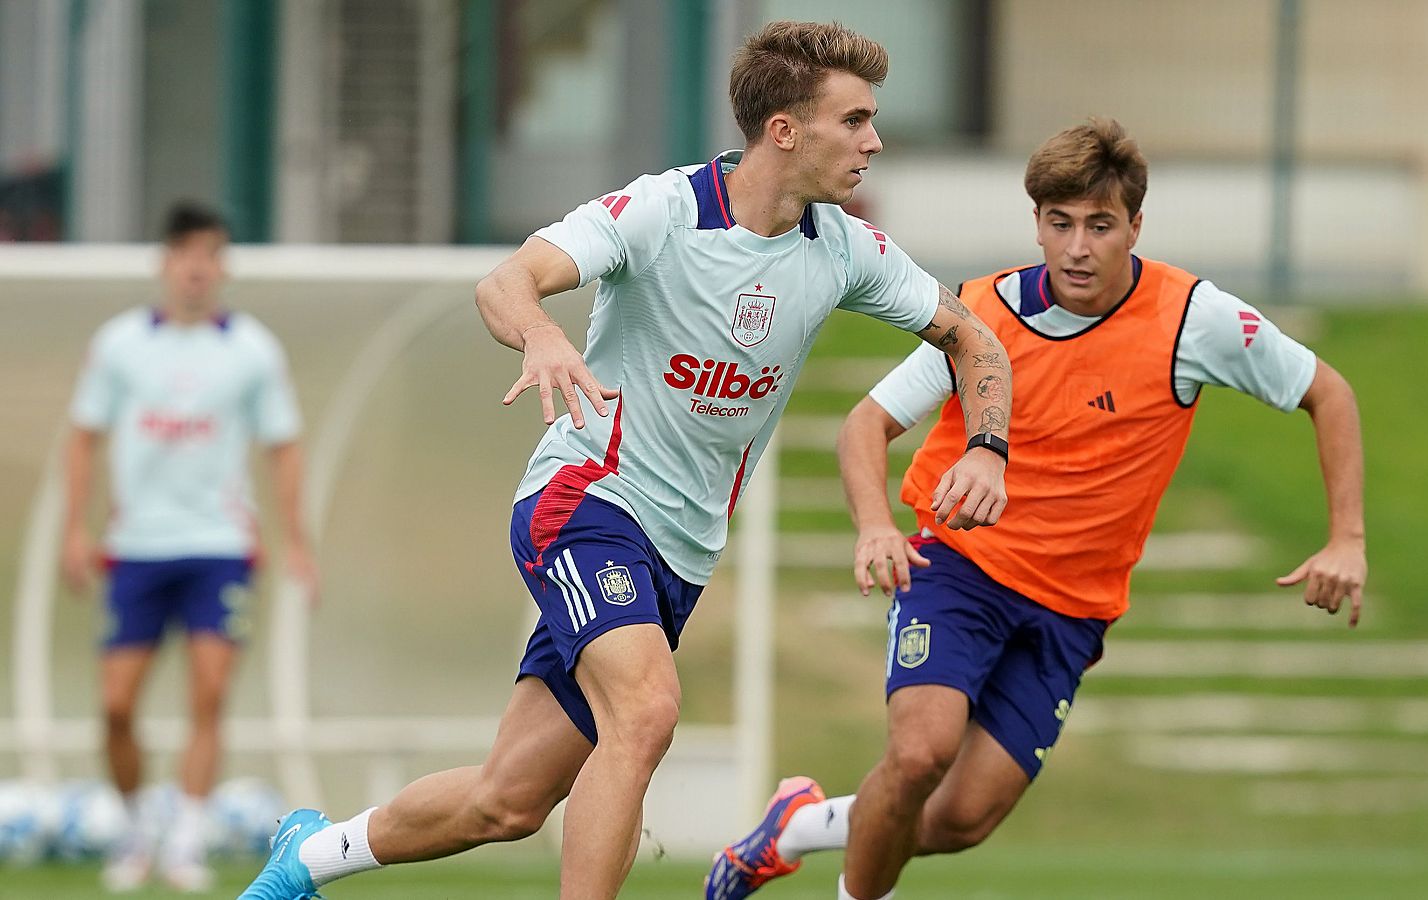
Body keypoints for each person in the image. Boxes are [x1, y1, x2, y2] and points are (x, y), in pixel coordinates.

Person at [240, 20, 1013, 900]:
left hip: (678, 554)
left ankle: (310, 855)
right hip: (586, 500)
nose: (875, 140)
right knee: (645, 715)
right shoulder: (663, 209)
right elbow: (507, 281)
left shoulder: (842, 250)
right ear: (785, 130)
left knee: (509, 800)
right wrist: (541, 338)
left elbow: (977, 343)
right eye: (855, 120)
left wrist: (988, 447)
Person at [706, 117, 1367, 900]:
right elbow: (866, 425)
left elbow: (1328, 392)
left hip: (1072, 608)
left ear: (1135, 227)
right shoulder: (983, 316)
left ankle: (797, 826)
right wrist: (877, 526)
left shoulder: (1193, 319)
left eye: (1100, 225)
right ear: (1038, 225)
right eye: (1061, 224)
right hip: (959, 567)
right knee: (920, 754)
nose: (1079, 247)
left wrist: (1347, 539)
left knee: (959, 820)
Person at [61, 201, 318, 893]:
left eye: (211, 254)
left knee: (209, 691)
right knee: (116, 705)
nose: (198, 268)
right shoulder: (120, 344)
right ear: (166, 262)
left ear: (223, 264)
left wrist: (297, 542)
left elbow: (284, 446)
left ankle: (186, 841)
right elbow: (84, 436)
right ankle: (135, 827)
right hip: (135, 548)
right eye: (186, 254)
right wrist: (73, 531)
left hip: (219, 546)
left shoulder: (252, 349)